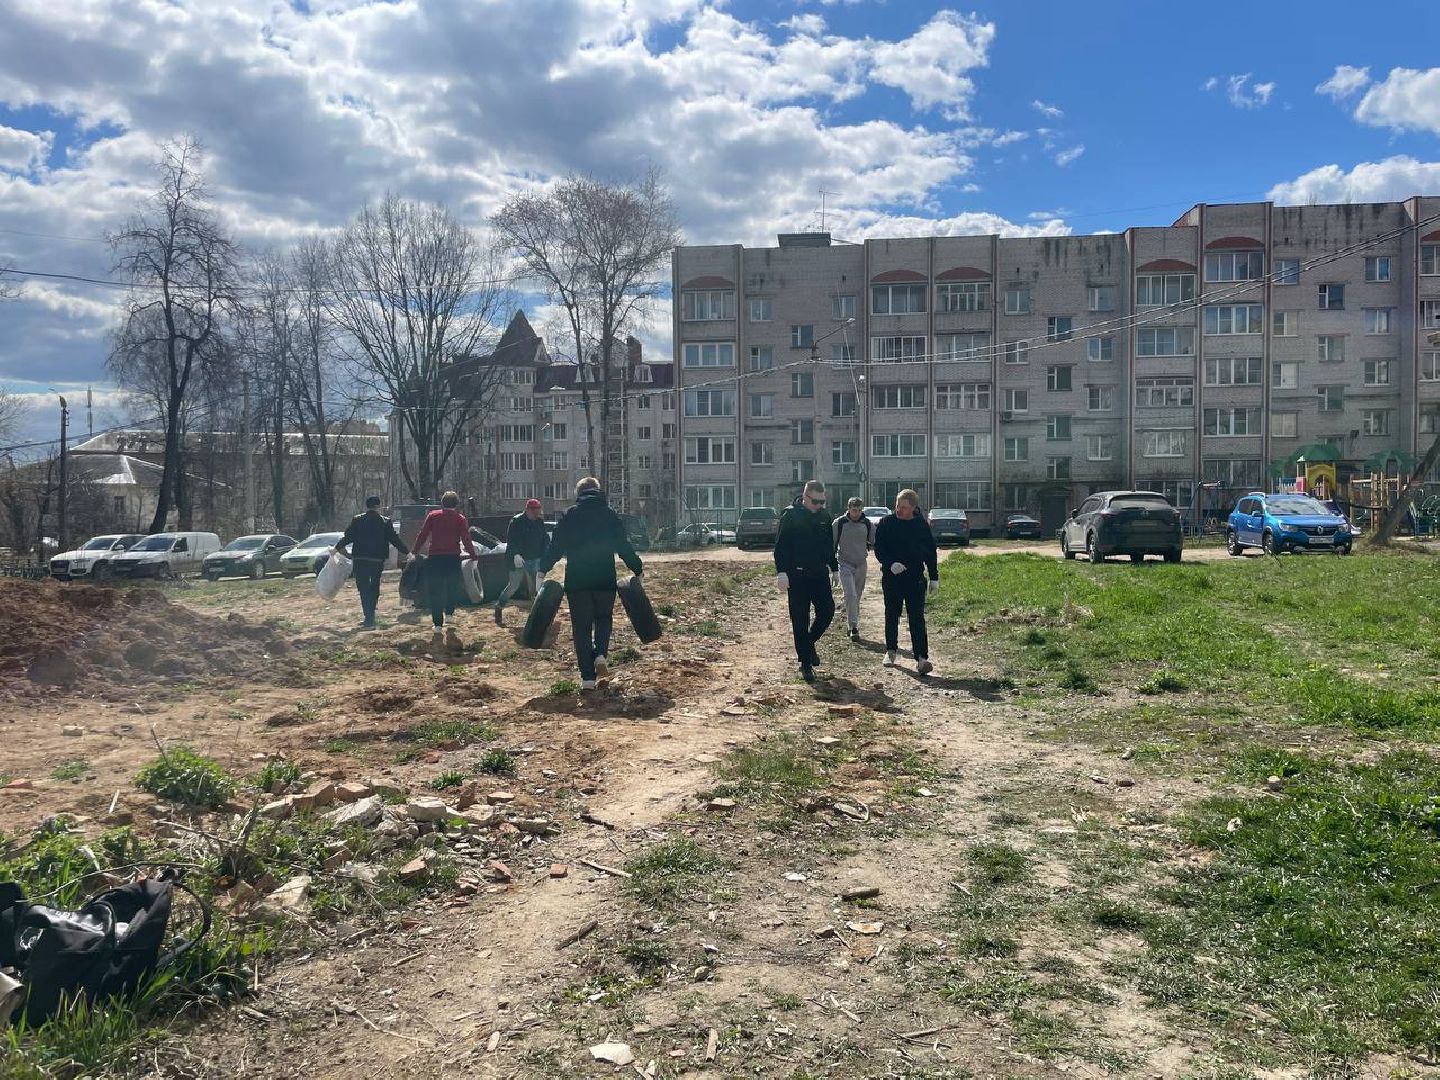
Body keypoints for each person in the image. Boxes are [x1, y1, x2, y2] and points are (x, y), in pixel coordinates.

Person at [539, 477, 643, 691]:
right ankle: (601, 654)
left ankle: (587, 678)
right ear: (598, 491)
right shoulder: (609, 515)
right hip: (604, 578)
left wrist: (542, 568)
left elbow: (556, 546)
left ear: (579, 494)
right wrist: (637, 567)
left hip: (578, 581)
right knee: (604, 618)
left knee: (581, 627)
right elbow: (623, 545)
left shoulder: (570, 515)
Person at [774, 479, 837, 683]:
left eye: (822, 502)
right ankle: (805, 662)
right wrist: (781, 572)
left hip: (819, 575)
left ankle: (808, 644)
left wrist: (834, 567)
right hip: (797, 576)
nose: (819, 506)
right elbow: (781, 545)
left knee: (827, 612)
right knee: (800, 620)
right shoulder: (790, 515)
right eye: (815, 502)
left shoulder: (824, 517)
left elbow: (828, 545)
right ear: (805, 497)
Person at [874, 488, 939, 674]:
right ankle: (891, 650)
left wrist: (934, 576)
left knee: (917, 617)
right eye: (897, 506)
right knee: (892, 614)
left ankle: (921, 657)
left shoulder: (920, 525)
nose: (899, 510)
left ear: (913, 508)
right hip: (892, 577)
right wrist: (890, 563)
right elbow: (879, 549)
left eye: (903, 507)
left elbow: (930, 552)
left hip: (915, 578)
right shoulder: (886, 523)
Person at [413, 491, 478, 653]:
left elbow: (423, 534)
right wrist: (473, 554)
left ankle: (437, 624)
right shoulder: (460, 519)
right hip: (452, 558)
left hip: (435, 558)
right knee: (452, 586)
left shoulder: (433, 516)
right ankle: (449, 612)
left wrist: (414, 550)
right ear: (456, 504)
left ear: (442, 503)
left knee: (436, 590)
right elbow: (465, 538)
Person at [334, 496, 409, 629]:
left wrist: (336, 548)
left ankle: (368, 616)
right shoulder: (385, 522)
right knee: (374, 586)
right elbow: (394, 539)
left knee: (363, 587)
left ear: (367, 506)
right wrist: (407, 552)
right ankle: (371, 615)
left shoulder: (357, 520)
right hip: (376, 560)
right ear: (379, 506)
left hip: (360, 559)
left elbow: (348, 537)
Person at [494, 498, 549, 625]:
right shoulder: (516, 521)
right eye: (534, 512)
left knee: (536, 586)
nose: (536, 514)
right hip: (518, 559)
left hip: (535, 558)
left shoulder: (540, 522)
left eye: (538, 511)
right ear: (527, 510)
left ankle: (535, 614)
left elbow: (544, 539)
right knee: (514, 585)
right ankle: (499, 606)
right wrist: (516, 555)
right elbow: (511, 541)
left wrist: (546, 553)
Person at [832, 496, 873, 641]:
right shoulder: (839, 523)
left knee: (857, 597)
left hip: (861, 563)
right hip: (844, 563)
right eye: (853, 510)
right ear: (848, 509)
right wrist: (832, 568)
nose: (856, 513)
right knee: (850, 595)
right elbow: (832, 544)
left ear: (862, 510)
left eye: (859, 510)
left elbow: (875, 541)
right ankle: (853, 627)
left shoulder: (867, 523)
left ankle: (853, 622)